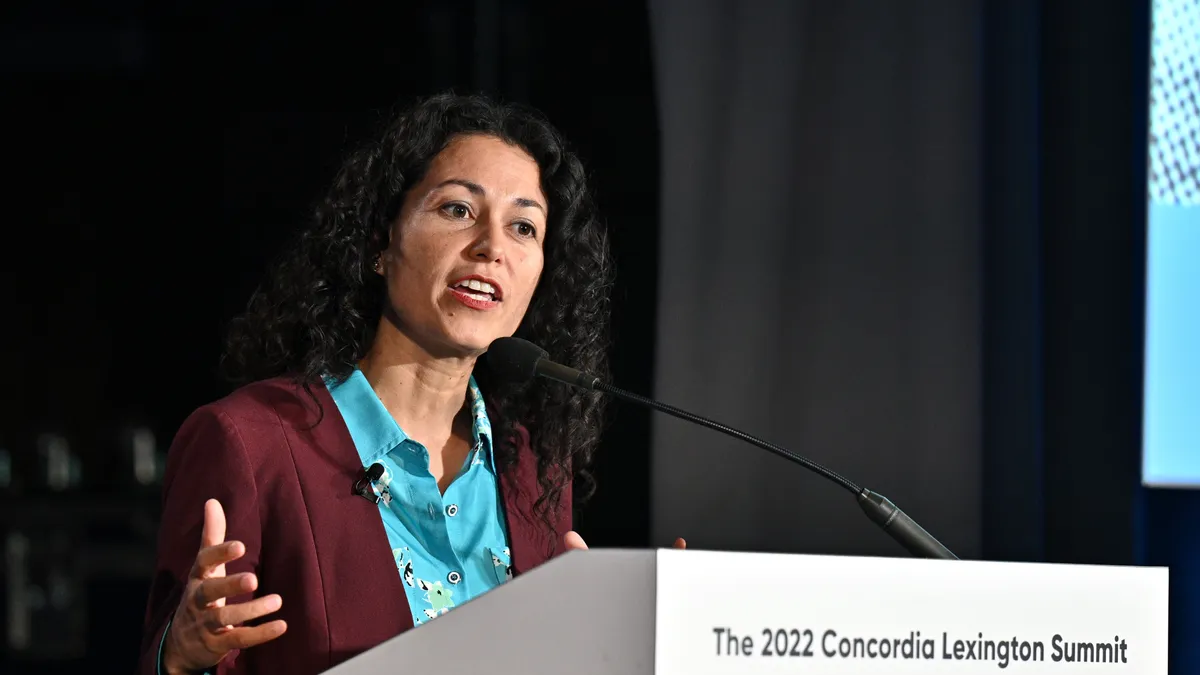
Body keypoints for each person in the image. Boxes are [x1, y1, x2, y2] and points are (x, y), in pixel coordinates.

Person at [136, 92, 682, 675]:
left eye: (523, 226)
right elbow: (180, 650)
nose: (491, 248)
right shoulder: (250, 443)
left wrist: (624, 639)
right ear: (379, 242)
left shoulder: (533, 465)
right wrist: (182, 657)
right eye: (457, 210)